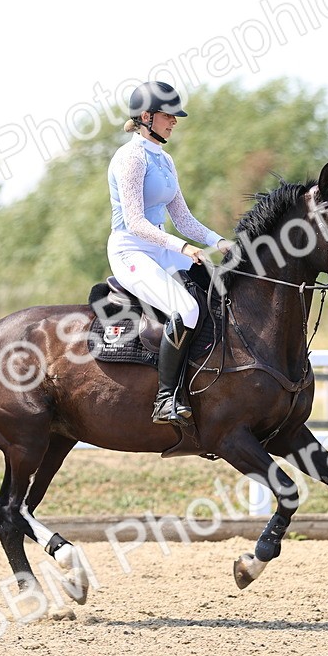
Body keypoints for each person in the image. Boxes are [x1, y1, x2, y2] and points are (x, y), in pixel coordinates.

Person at [107, 81, 234, 425]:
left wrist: (219, 241)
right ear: (146, 117)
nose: (175, 121)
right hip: (131, 250)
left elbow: (182, 217)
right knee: (187, 308)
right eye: (168, 115)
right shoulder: (130, 157)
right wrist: (181, 247)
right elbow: (135, 222)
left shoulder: (164, 158)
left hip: (161, 246)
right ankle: (165, 398)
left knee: (221, 288)